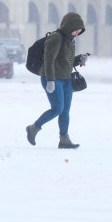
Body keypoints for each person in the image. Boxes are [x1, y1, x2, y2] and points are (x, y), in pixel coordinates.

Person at [25, 12, 88, 149]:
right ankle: (34, 127)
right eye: (76, 30)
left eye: (79, 31)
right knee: (57, 108)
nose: (77, 33)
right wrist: (50, 80)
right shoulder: (56, 38)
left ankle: (64, 139)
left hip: (66, 80)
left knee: (65, 110)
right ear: (69, 26)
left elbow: (66, 62)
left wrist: (79, 59)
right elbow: (49, 60)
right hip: (52, 79)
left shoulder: (69, 40)